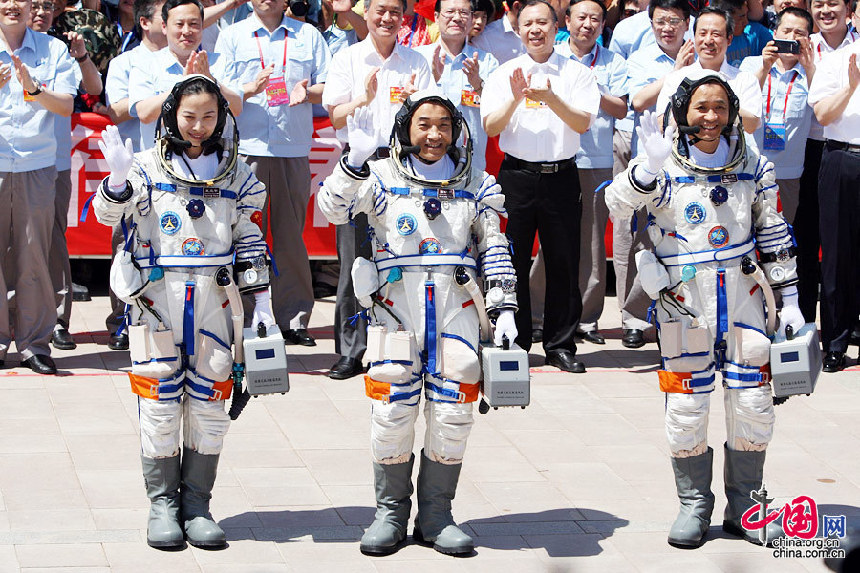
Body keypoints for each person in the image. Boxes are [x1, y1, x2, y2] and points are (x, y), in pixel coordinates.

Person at [318, 90, 518, 557]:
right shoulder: (382, 177)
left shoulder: (477, 181)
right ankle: (389, 513)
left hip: (457, 313)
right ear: (407, 127)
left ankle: (436, 515)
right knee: (392, 413)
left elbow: (494, 246)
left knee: (453, 413)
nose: (434, 134)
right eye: (424, 124)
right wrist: (355, 161)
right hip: (395, 311)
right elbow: (333, 209)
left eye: (444, 125)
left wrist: (504, 310)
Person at [607, 76, 803, 549]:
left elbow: (773, 231)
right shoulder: (660, 163)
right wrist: (645, 172)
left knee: (752, 405)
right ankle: (693, 504)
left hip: (744, 301)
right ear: (682, 111)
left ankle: (748, 508)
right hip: (684, 306)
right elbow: (617, 207)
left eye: (719, 108)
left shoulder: (752, 162)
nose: (710, 118)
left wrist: (792, 299)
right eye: (700, 108)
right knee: (688, 407)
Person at [93, 75, 272, 549]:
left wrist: (265, 307)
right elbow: (106, 217)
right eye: (189, 116)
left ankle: (197, 505)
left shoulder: (238, 175)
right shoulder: (146, 167)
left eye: (208, 116)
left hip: (215, 304)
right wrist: (114, 181)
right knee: (159, 407)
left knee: (211, 406)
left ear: (222, 118)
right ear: (173, 114)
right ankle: (162, 506)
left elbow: (251, 239)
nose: (197, 126)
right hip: (156, 304)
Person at [481, 0, 600, 372]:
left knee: (564, 261)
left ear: (556, 27)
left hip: (561, 176)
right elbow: (491, 126)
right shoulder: (504, 73)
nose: (536, 30)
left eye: (543, 23)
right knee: (510, 261)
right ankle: (512, 339)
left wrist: (551, 98)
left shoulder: (576, 73)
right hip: (515, 177)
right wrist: (517, 99)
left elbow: (582, 124)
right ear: (518, 29)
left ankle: (560, 344)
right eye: (528, 23)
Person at [322, 0, 432, 380]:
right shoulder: (348, 59)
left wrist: (414, 104)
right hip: (360, 164)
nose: (387, 19)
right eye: (380, 11)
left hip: (403, 168)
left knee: (402, 255)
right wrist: (363, 100)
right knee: (354, 258)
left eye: (395, 13)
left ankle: (399, 343)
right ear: (365, 14)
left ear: (404, 18)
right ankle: (352, 350)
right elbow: (334, 114)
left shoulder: (416, 62)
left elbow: (430, 115)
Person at [216, 0, 331, 347]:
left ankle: (293, 318)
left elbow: (330, 86)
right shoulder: (233, 35)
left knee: (289, 238)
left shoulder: (308, 35)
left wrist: (306, 92)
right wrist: (249, 87)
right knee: (244, 237)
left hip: (291, 147)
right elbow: (219, 87)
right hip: (247, 147)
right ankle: (249, 316)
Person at [531, 0, 627, 346]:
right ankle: (539, 314)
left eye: (596, 19)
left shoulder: (612, 60)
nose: (588, 25)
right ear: (566, 21)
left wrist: (591, 88)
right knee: (549, 243)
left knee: (591, 244)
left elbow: (622, 106)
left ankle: (587, 318)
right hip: (556, 156)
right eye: (581, 17)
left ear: (603, 25)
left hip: (597, 159)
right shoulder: (550, 56)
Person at [1, 0, 78, 375]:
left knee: (34, 256)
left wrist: (33, 89)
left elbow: (65, 105)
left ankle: (34, 344)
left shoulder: (53, 48)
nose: (12, 5)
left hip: (37, 164)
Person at [28, 0, 103, 352]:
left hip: (52, 161)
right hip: (9, 160)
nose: (40, 12)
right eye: (34, 5)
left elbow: (94, 90)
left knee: (54, 241)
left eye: (46, 6)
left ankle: (58, 318)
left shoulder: (58, 50)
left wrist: (81, 56)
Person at [100, 0, 168, 351]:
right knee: (126, 243)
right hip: (135, 164)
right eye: (165, 17)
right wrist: (151, 99)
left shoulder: (186, 58)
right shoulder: (125, 62)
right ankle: (122, 319)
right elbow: (117, 107)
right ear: (145, 22)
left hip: (176, 169)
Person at [793, 0, 856, 338]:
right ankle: (804, 321)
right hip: (807, 149)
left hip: (841, 148)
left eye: (833, 3)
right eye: (819, 4)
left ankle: (850, 323)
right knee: (809, 238)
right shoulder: (801, 41)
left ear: (850, 10)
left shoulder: (854, 47)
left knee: (846, 244)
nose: (825, 10)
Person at [807, 26, 860, 372]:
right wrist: (852, 86)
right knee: (837, 256)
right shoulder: (836, 61)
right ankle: (836, 343)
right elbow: (824, 115)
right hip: (842, 158)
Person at [128, 0, 242, 151]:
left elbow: (236, 108)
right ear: (164, 27)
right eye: (179, 24)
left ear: (203, 27)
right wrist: (180, 85)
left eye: (194, 24)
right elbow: (145, 114)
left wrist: (210, 80)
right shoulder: (146, 64)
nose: (187, 31)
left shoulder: (220, 62)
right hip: (161, 163)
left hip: (214, 164)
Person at [738, 6, 815, 224]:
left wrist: (809, 69)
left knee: (780, 236)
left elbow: (820, 105)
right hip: (749, 167)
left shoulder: (811, 72)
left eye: (799, 34)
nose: (791, 38)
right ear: (774, 33)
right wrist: (764, 67)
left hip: (788, 173)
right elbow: (742, 105)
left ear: (808, 39)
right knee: (744, 231)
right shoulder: (751, 64)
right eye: (786, 31)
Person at [415, 0, 498, 172]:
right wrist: (432, 79)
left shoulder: (487, 61)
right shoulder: (418, 58)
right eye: (450, 12)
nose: (457, 18)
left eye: (464, 13)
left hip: (471, 164)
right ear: (436, 17)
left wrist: (478, 83)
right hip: (423, 163)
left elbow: (497, 111)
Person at [656, 7, 763, 134]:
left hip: (735, 153)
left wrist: (722, 102)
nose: (708, 41)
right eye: (702, 33)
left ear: (729, 39)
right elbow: (663, 123)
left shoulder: (745, 79)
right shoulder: (677, 78)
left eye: (716, 34)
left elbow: (751, 124)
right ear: (694, 37)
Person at [711, 0, 772, 66]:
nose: (746, 22)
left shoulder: (754, 32)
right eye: (741, 17)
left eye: (746, 15)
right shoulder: (711, 43)